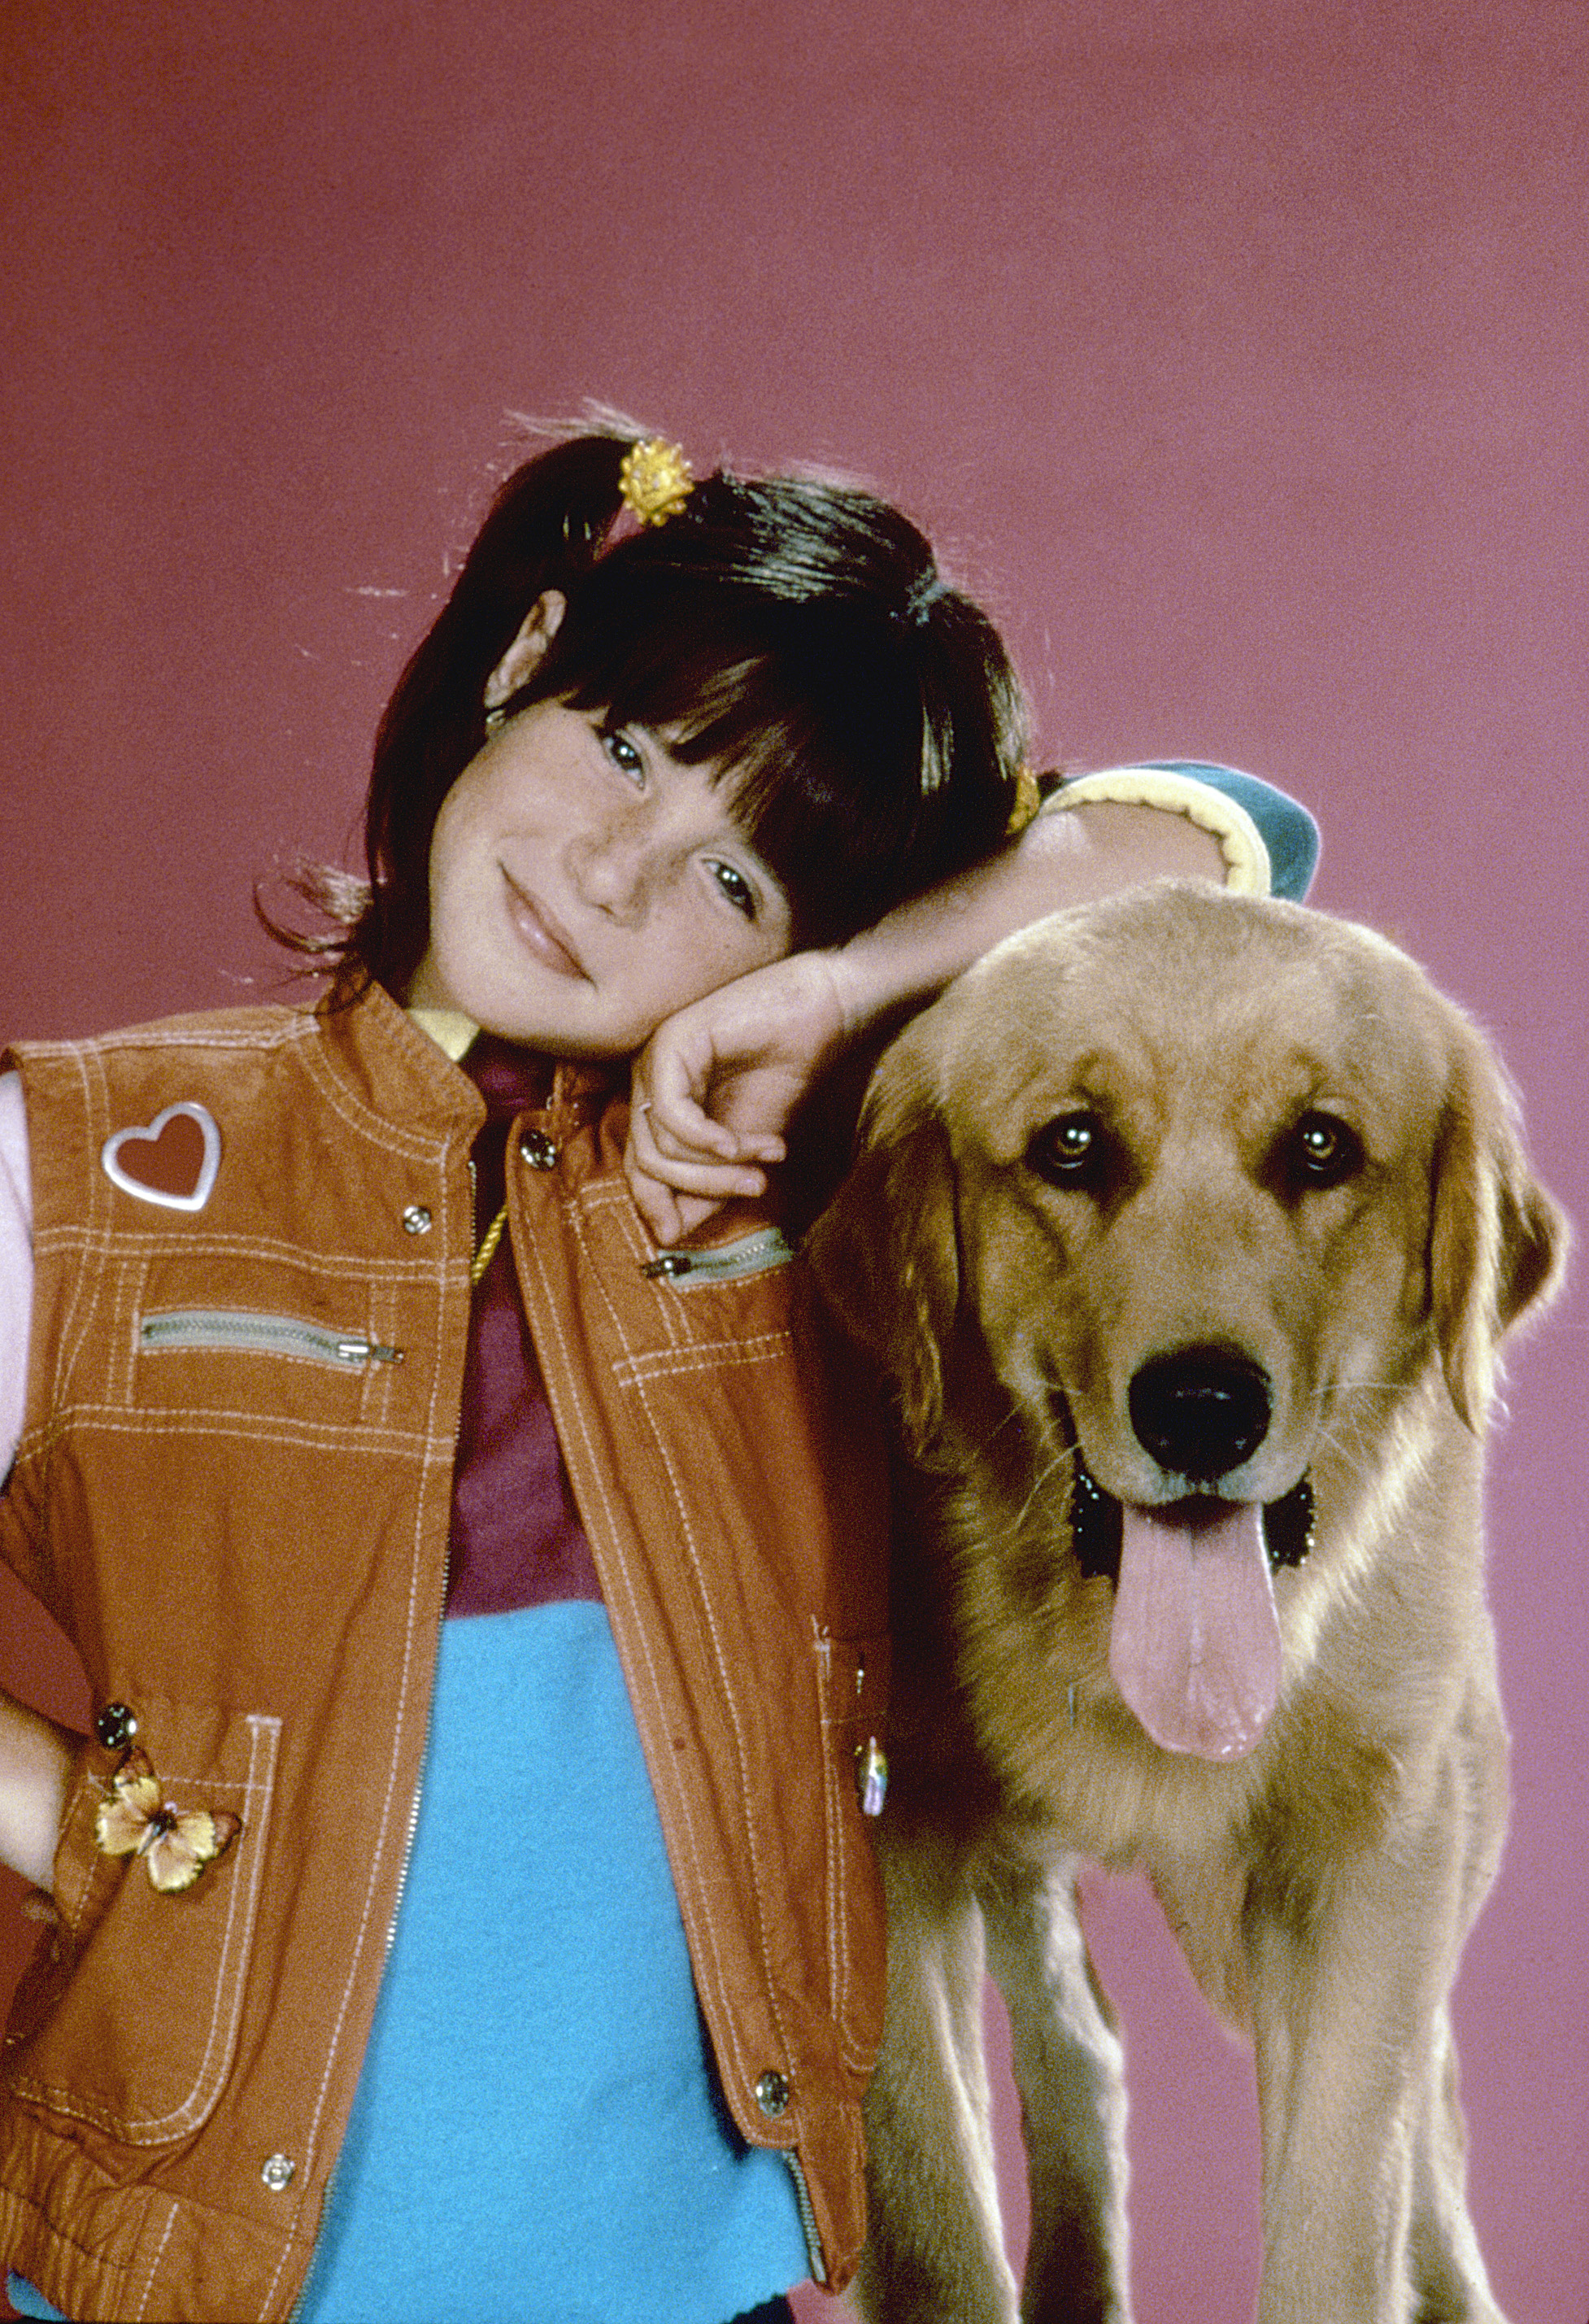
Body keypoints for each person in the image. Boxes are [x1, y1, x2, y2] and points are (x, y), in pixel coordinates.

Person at [0, 424, 1314, 2324]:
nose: (611, 876)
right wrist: (75, 1831)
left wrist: (839, 1000)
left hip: (682, 2287)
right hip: (167, 2271)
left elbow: (1235, 838)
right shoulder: (104, 1157)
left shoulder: (814, 1195)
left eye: (732, 884)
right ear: (525, 655)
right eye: (623, 749)